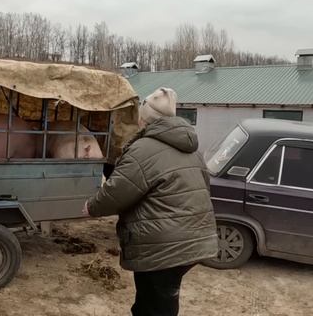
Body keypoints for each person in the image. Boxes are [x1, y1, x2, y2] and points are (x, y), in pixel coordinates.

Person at [84, 87, 218, 316]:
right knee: (158, 299)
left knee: (154, 304)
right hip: (194, 238)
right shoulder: (192, 149)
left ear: (144, 118)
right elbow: (204, 186)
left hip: (163, 245)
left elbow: (118, 191)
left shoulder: (144, 149)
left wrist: (91, 207)